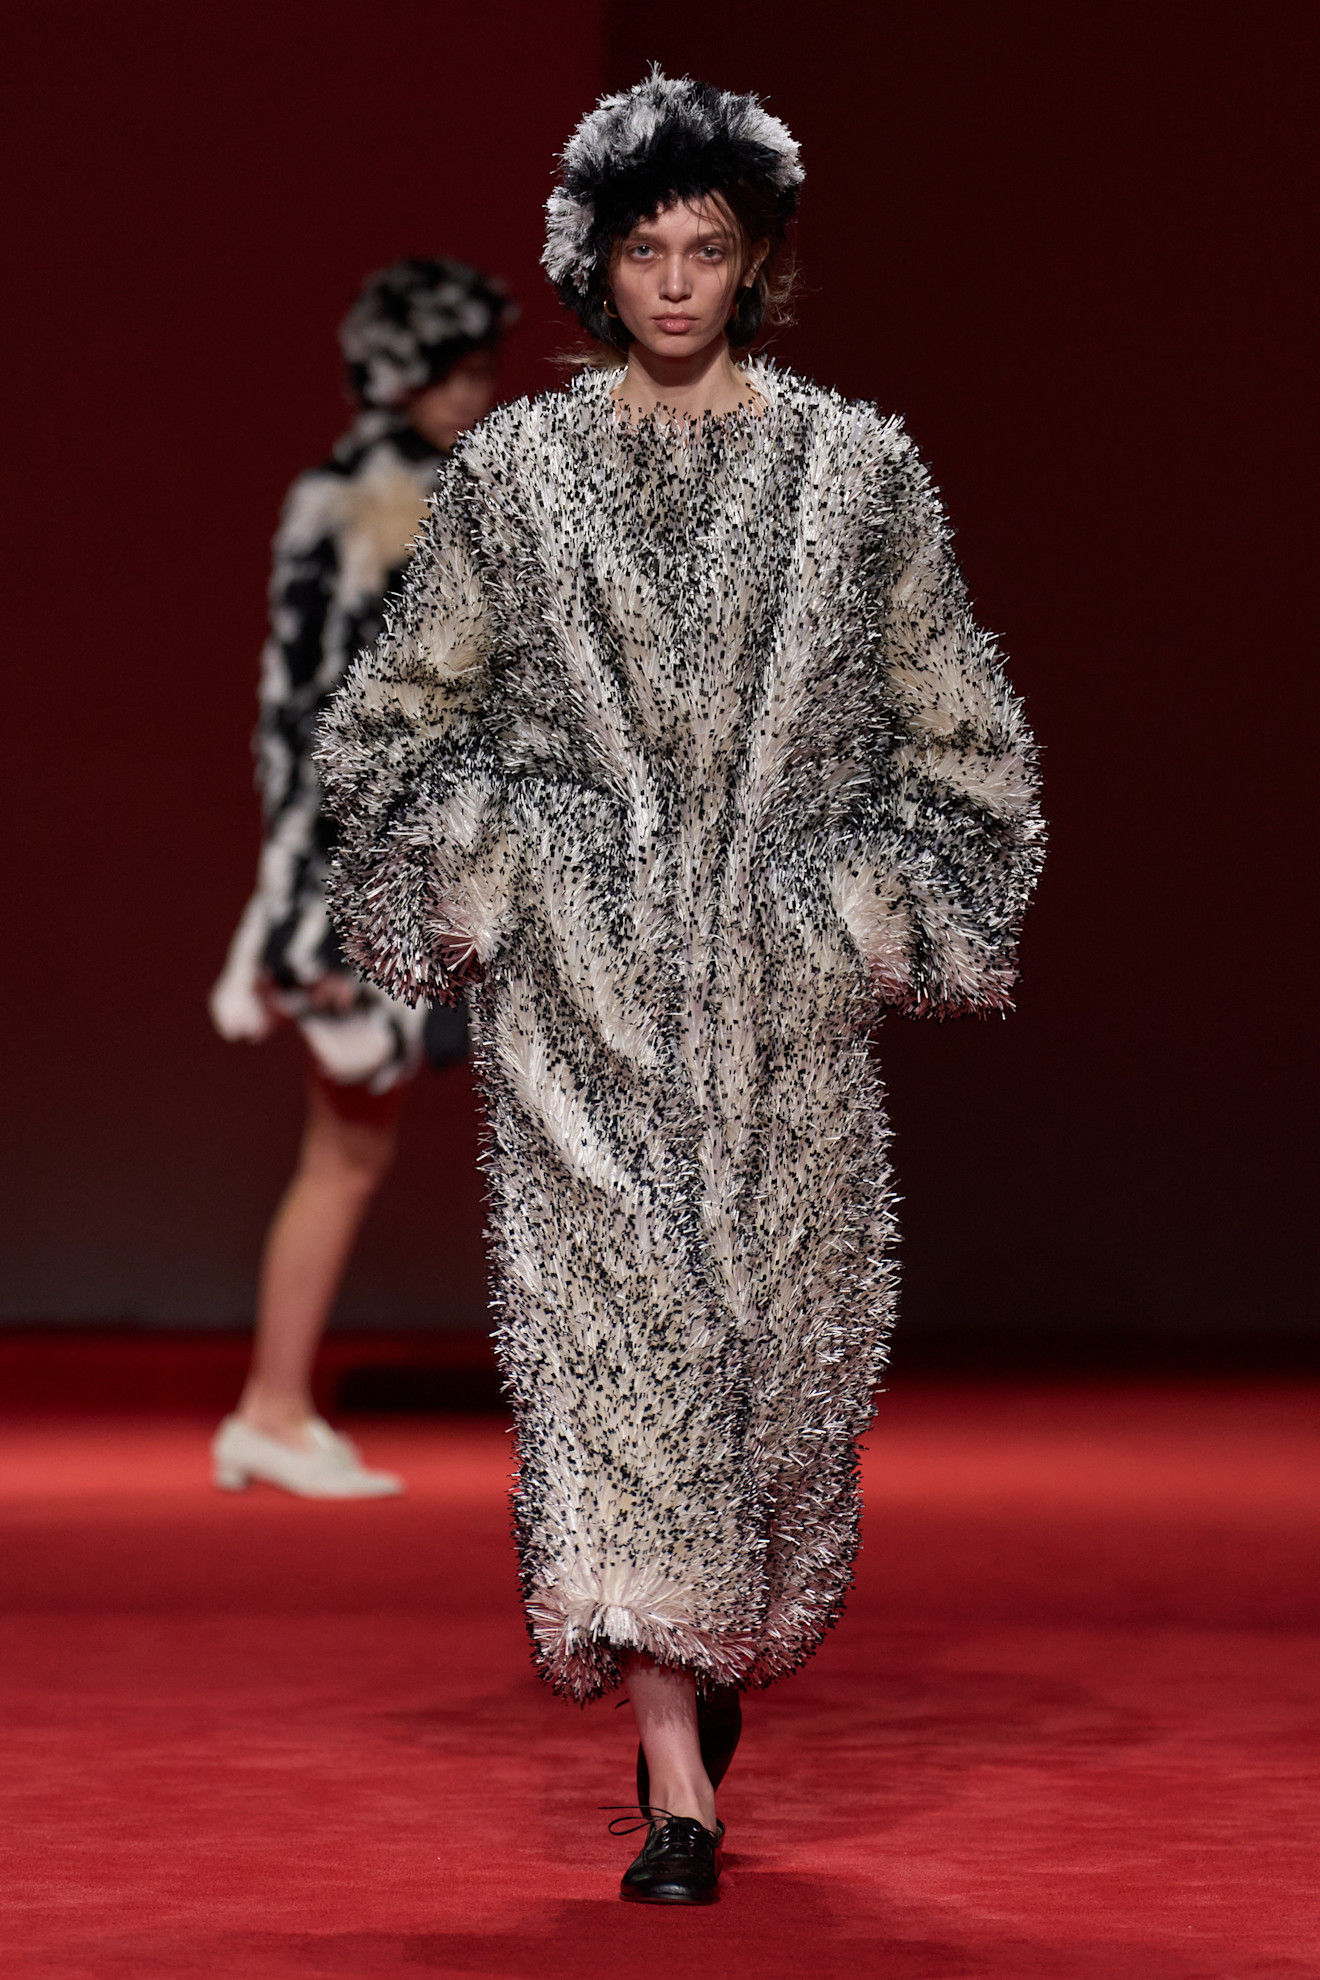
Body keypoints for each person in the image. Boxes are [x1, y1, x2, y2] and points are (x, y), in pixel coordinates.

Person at [318, 74, 1044, 1899]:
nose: (672, 285)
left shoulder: (859, 474)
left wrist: (846, 907)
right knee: (611, 1356)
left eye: (706, 251)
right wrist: (528, 867)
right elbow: (395, 728)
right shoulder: (518, 476)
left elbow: (963, 741)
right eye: (642, 251)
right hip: (582, 1010)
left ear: (756, 262)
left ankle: (703, 1643)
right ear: (595, 263)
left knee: (775, 1383)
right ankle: (675, 1780)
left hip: (785, 1015)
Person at [208, 259, 517, 1499]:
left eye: (484, 370)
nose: (478, 391)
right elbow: (304, 723)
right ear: (402, 376)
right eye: (460, 371)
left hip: (447, 864)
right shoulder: (355, 505)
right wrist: (295, 913)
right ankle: (272, 1408)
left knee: (360, 1150)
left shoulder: (435, 495)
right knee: (348, 1148)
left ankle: (273, 1408)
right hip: (377, 873)